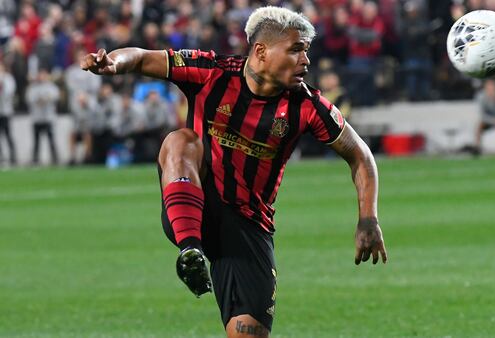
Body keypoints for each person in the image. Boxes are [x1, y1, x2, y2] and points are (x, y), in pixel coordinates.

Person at [81, 6, 387, 338]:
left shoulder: (307, 106)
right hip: (195, 205)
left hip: (248, 227)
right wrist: (114, 62)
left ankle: (198, 256)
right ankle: (190, 252)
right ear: (261, 51)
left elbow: (361, 156)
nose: (306, 60)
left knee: (247, 333)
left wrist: (368, 219)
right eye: (296, 49)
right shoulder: (211, 71)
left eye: (306, 51)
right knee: (180, 140)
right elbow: (140, 57)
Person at [26, 69, 59, 165]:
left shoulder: (51, 87)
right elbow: (30, 99)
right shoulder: (33, 87)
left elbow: (54, 97)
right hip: (37, 118)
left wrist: (44, 99)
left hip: (48, 118)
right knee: (36, 141)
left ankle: (55, 158)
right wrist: (41, 99)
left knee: (51, 140)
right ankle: (35, 159)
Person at [0, 62, 17, 165]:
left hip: (5, 111)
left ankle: (12, 156)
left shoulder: (8, 78)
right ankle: (1, 157)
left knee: (8, 134)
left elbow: (9, 92)